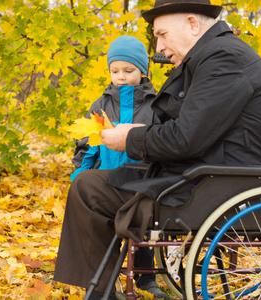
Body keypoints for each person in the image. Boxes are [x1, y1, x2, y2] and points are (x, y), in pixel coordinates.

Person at [53, 0, 261, 299]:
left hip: (212, 187)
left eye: (162, 34)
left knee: (88, 188)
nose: (158, 46)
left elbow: (186, 138)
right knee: (92, 181)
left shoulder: (223, 60)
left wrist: (130, 139)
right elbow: (193, 129)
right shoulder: (214, 58)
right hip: (203, 176)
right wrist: (135, 133)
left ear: (192, 24)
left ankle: (102, 292)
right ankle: (103, 288)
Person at [68, 35, 168, 298]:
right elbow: (87, 142)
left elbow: (162, 141)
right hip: (106, 175)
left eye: (129, 70)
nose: (121, 77)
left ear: (143, 71)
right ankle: (106, 280)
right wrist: (81, 170)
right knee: (103, 226)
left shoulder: (154, 105)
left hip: (141, 178)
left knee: (141, 229)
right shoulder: (102, 105)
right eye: (115, 71)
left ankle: (146, 279)